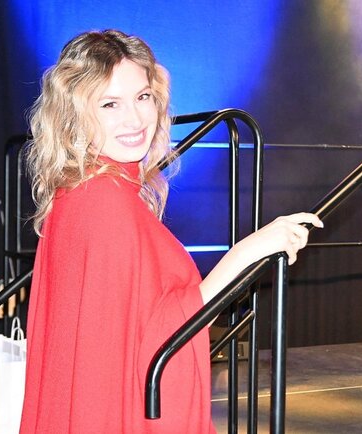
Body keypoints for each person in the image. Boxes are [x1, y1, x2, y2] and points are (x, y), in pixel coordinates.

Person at [20, 29, 323, 433]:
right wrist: (249, 251)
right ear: (75, 114)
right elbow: (159, 337)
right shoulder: (104, 201)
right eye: (110, 104)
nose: (134, 119)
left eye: (143, 96)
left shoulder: (82, 189)